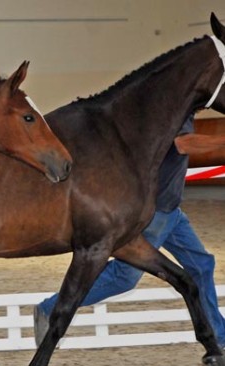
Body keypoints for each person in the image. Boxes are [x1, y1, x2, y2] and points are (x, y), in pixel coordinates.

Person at [34, 114, 225, 349]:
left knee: (201, 265)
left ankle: (218, 337)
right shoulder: (178, 112)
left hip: (171, 212)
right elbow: (183, 144)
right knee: (124, 277)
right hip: (153, 215)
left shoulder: (183, 108)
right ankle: (51, 308)